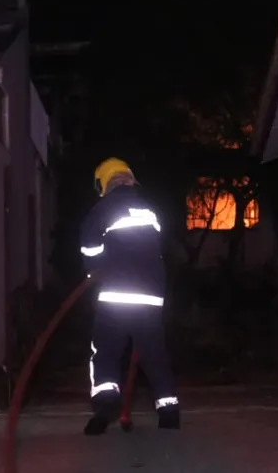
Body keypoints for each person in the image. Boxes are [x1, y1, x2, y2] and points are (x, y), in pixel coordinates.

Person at [79, 157, 180, 435]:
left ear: (103, 183)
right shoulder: (150, 209)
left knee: (105, 350)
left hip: (115, 295)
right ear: (131, 179)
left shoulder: (103, 209)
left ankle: (106, 400)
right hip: (151, 297)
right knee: (154, 354)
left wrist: (94, 271)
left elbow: (90, 248)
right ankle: (169, 412)